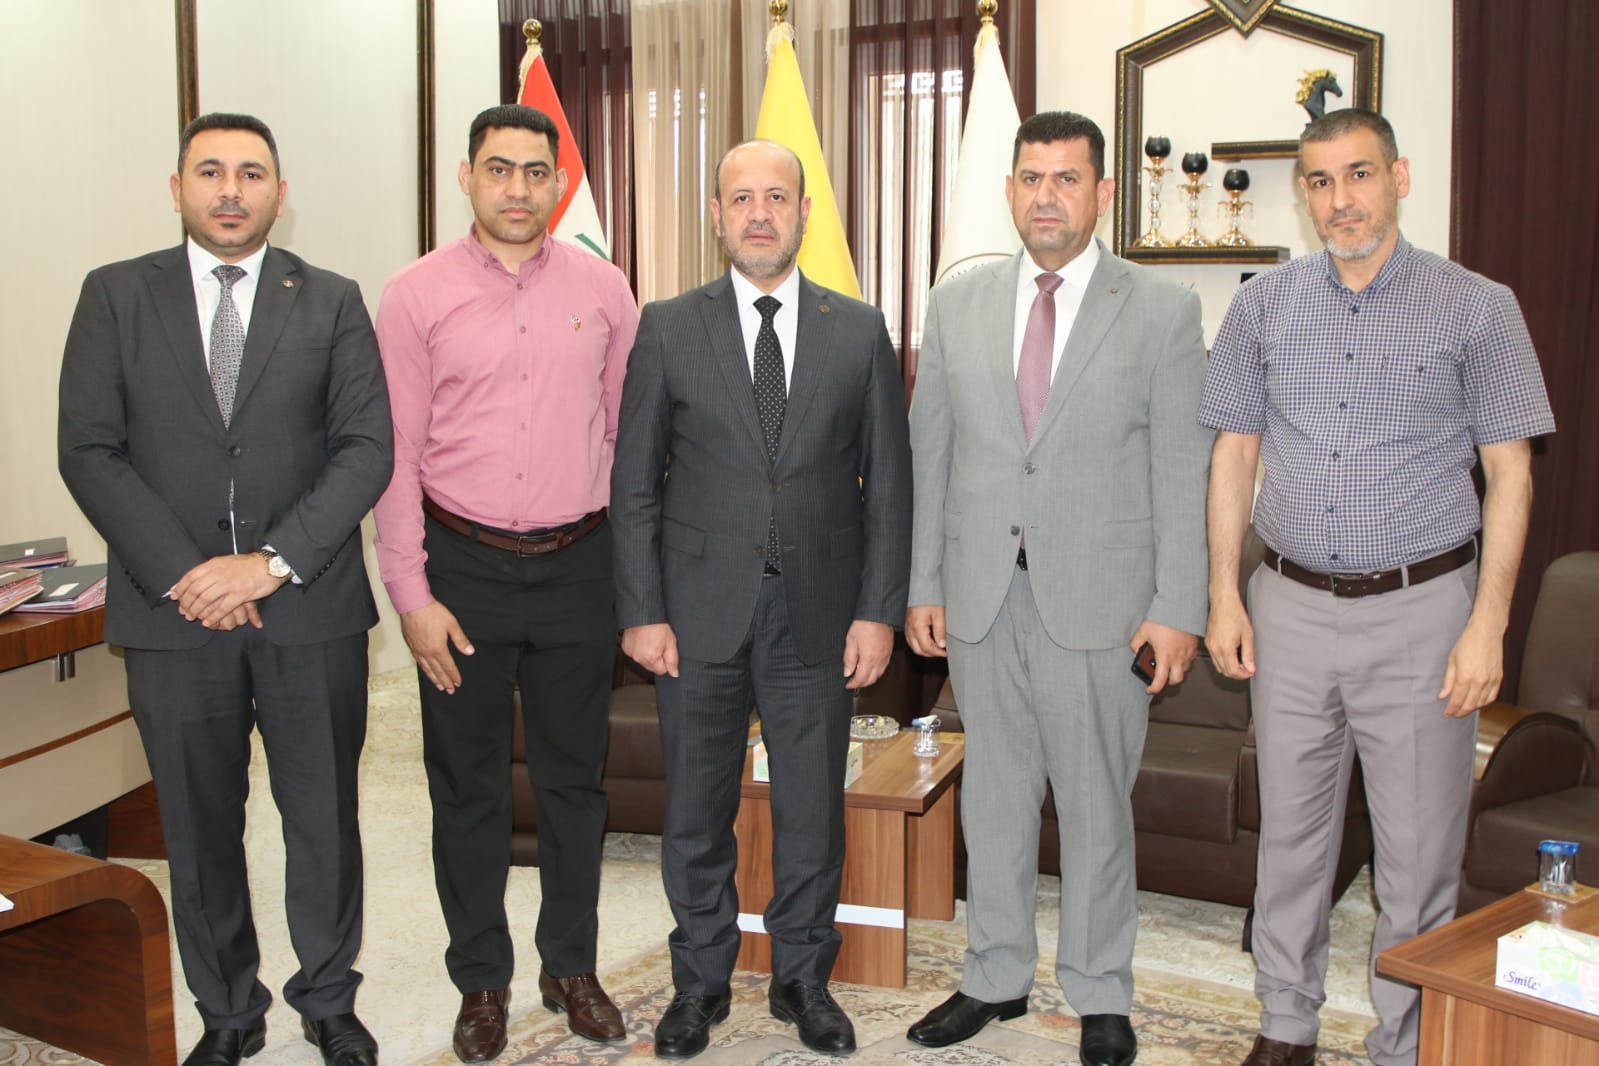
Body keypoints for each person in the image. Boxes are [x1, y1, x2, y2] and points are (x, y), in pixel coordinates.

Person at [1200, 109, 1554, 1066]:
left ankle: (1402, 1043)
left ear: (1398, 177)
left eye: (1358, 174)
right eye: (1319, 182)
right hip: (1287, 606)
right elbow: (1234, 455)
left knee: (1416, 856)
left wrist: (1487, 625)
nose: (1340, 200)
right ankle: (1285, 1027)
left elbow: (1510, 474)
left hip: (1422, 613)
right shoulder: (1263, 305)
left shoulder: (1478, 306)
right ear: (1302, 195)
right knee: (1290, 838)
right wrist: (1225, 595)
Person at [57, 113, 392, 1066]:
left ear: (281, 194)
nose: (231, 190)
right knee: (198, 825)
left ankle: (329, 999)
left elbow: (365, 448)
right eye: (210, 172)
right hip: (173, 619)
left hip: (309, 608)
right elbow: (89, 450)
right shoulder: (115, 295)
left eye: (251, 173)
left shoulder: (330, 299)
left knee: (322, 819)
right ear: (178, 189)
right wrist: (186, 575)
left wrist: (269, 563)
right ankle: (229, 1011)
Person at [904, 110, 1211, 1066]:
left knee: (1094, 811)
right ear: (1008, 191)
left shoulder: (1161, 310)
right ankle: (993, 977)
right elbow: (929, 455)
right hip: (981, 598)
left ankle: (1099, 991)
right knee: (992, 802)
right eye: (1031, 178)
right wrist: (922, 583)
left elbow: (1182, 472)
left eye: (1067, 178)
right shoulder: (956, 303)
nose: (1047, 196)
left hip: (1104, 606)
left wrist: (1178, 608)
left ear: (1102, 192)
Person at [610, 139, 912, 1060]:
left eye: (776, 197)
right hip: (694, 614)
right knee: (696, 812)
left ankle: (801, 980)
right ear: (716, 215)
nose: (758, 214)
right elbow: (633, 485)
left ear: (804, 212)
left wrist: (878, 611)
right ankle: (698, 984)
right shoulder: (668, 326)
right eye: (740, 198)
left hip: (818, 615)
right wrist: (641, 610)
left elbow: (889, 487)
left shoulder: (857, 329)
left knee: (811, 811)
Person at [370, 104, 638, 1061]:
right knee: (466, 788)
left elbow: (627, 441)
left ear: (559, 183)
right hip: (463, 571)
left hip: (579, 568)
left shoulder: (605, 288)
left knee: (574, 784)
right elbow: (394, 455)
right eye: (499, 169)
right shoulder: (414, 295)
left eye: (535, 171)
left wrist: (632, 583)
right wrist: (411, 597)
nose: (517, 189)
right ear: (467, 176)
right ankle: (480, 980)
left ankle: (571, 967)